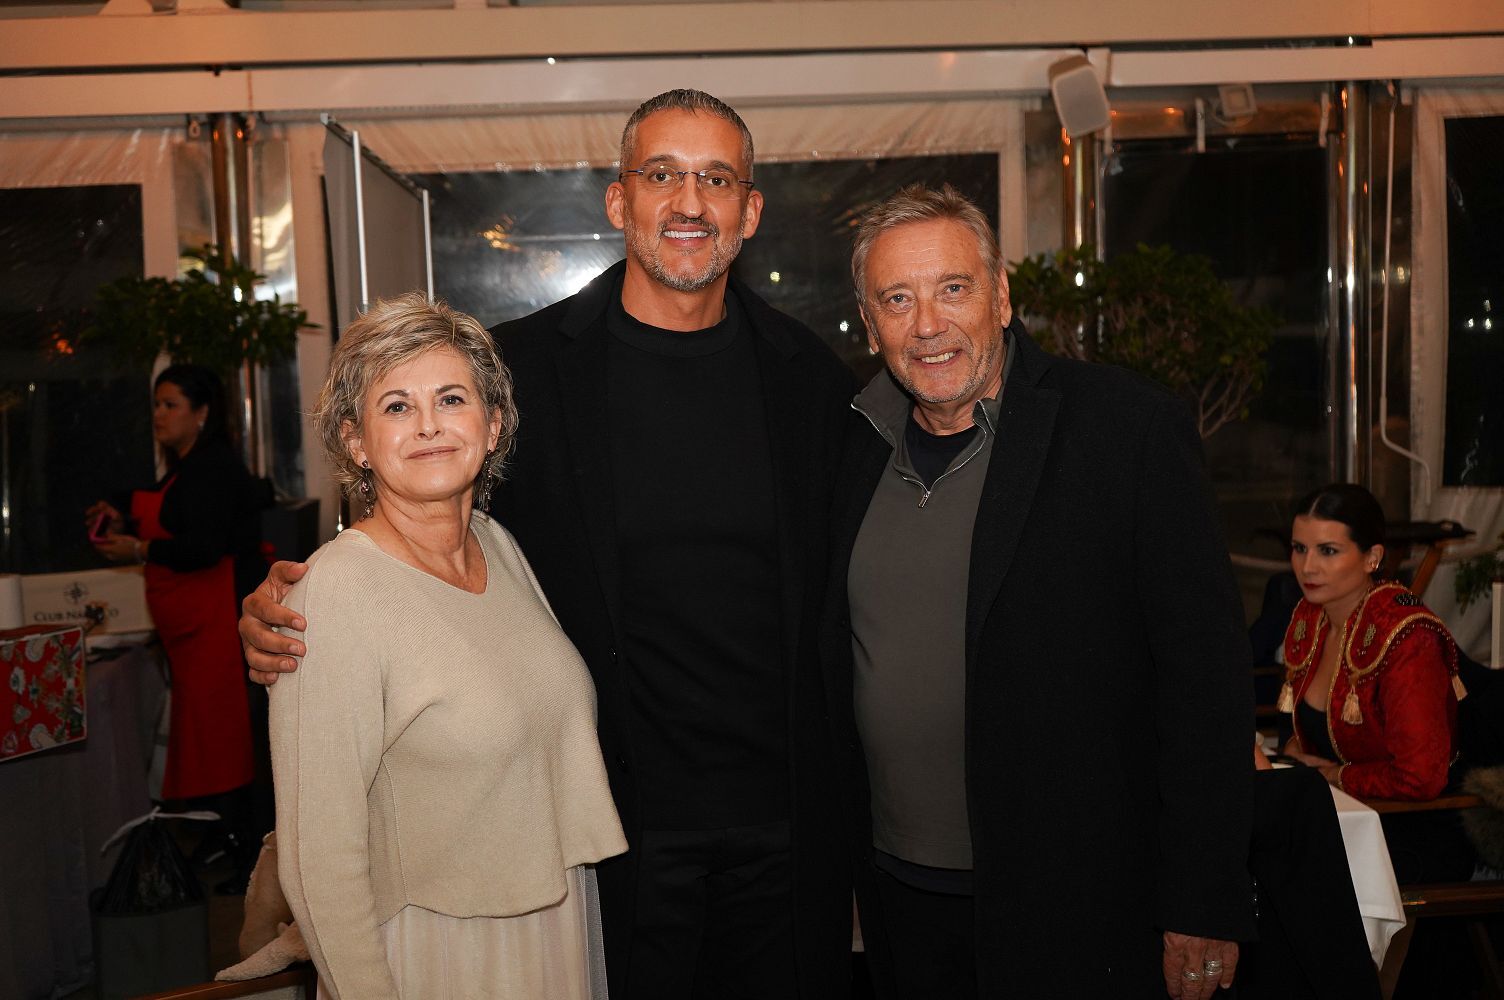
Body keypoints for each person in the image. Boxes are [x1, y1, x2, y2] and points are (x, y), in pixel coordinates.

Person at [239, 90, 854, 999]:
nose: (690, 202)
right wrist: (296, 608)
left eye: (717, 179)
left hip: (787, 832)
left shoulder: (812, 383)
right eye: (662, 175)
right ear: (619, 201)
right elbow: (421, 536)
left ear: (750, 210)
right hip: (603, 838)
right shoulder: (515, 372)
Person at [820, 185, 1255, 998]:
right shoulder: (850, 442)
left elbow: (1206, 683)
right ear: (870, 323)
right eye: (898, 299)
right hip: (897, 893)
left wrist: (1203, 895)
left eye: (953, 288)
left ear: (1001, 294)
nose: (928, 324)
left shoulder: (1126, 432)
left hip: (1081, 899)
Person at [269, 293, 626, 999]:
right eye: (397, 406)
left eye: (452, 399)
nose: (428, 425)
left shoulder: (499, 545)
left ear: (493, 426)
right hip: (440, 952)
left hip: (549, 925)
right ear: (356, 441)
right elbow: (317, 857)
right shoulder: (336, 592)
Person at [88, 364, 261, 856]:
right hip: (192, 633)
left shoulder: (213, 468)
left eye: (170, 405)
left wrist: (139, 549)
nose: (159, 415)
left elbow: (203, 546)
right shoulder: (185, 468)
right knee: (207, 735)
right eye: (156, 405)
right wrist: (119, 510)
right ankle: (222, 836)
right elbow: (164, 507)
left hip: (218, 625)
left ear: (201, 413)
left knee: (225, 735)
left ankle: (244, 846)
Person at [1278, 482, 1463, 801]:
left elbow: (1420, 778)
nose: (1307, 567)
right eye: (1299, 548)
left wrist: (1334, 776)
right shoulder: (1309, 619)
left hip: (1400, 819)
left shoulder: (1408, 637)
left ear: (1372, 558)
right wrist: (1294, 748)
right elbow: (1297, 726)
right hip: (1332, 806)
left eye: (1328, 551)